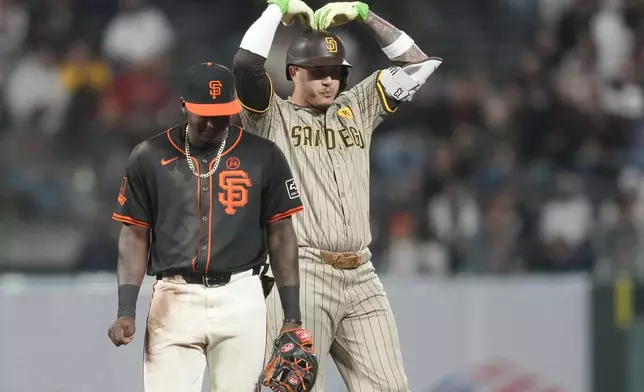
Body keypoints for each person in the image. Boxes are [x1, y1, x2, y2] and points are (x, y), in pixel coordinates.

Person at [232, 0, 442, 390]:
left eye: (336, 72)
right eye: (318, 73)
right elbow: (246, 65)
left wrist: (365, 16)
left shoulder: (357, 106)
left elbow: (418, 66)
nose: (329, 81)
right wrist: (276, 9)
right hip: (302, 271)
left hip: (362, 275)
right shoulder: (269, 116)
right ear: (293, 72)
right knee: (291, 387)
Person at [106, 61, 314, 392]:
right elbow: (134, 235)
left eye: (223, 112)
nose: (214, 121)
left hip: (241, 295)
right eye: (204, 112)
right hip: (173, 298)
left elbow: (282, 234)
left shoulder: (263, 156)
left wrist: (292, 318)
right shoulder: (148, 156)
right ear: (183, 106)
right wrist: (125, 310)